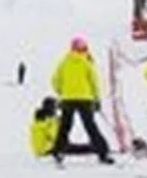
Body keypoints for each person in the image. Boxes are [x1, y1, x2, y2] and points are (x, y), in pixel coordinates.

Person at [49, 36, 114, 165]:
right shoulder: (86, 62)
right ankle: (102, 153)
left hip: (67, 99)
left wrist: (62, 92)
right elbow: (94, 81)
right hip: (85, 98)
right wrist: (97, 98)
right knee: (90, 126)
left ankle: (58, 151)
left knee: (65, 126)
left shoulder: (64, 62)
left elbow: (55, 80)